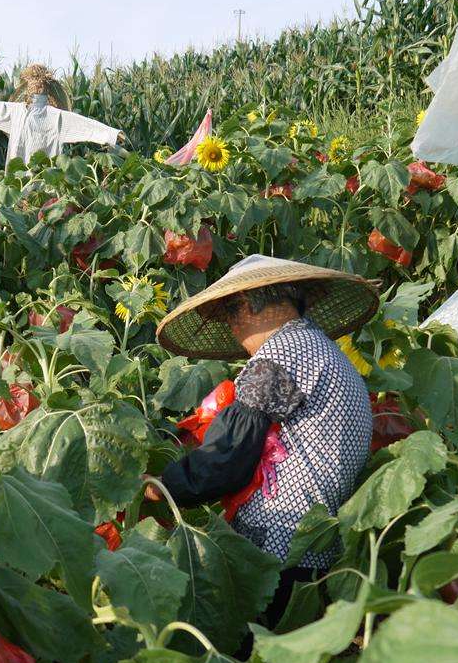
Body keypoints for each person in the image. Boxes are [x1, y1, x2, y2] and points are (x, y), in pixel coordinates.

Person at [151, 254, 379, 639]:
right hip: (315, 548)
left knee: (246, 658)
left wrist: (164, 485)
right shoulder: (320, 350)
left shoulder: (282, 353)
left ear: (247, 306)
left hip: (278, 547)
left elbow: (228, 458)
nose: (231, 325)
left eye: (228, 312)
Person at [0, 64, 124, 169]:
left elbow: (85, 125)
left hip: (42, 180)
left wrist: (112, 134)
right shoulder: (17, 111)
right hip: (22, 180)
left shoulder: (55, 116)